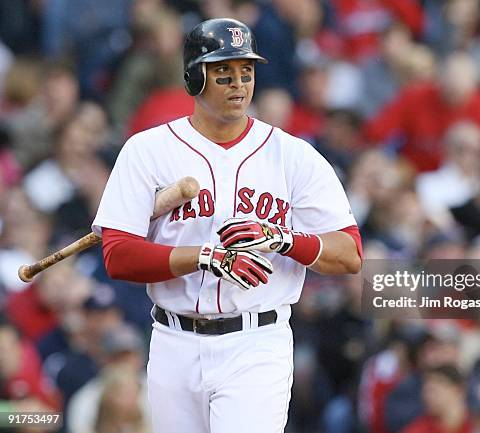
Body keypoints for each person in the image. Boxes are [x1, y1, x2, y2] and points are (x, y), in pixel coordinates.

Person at [92, 17, 362, 433]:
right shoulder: (147, 151)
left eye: (246, 72)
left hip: (256, 340)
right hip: (173, 340)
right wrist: (203, 257)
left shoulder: (293, 156)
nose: (239, 84)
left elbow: (350, 254)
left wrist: (284, 239)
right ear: (193, 78)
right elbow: (118, 256)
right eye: (223, 73)